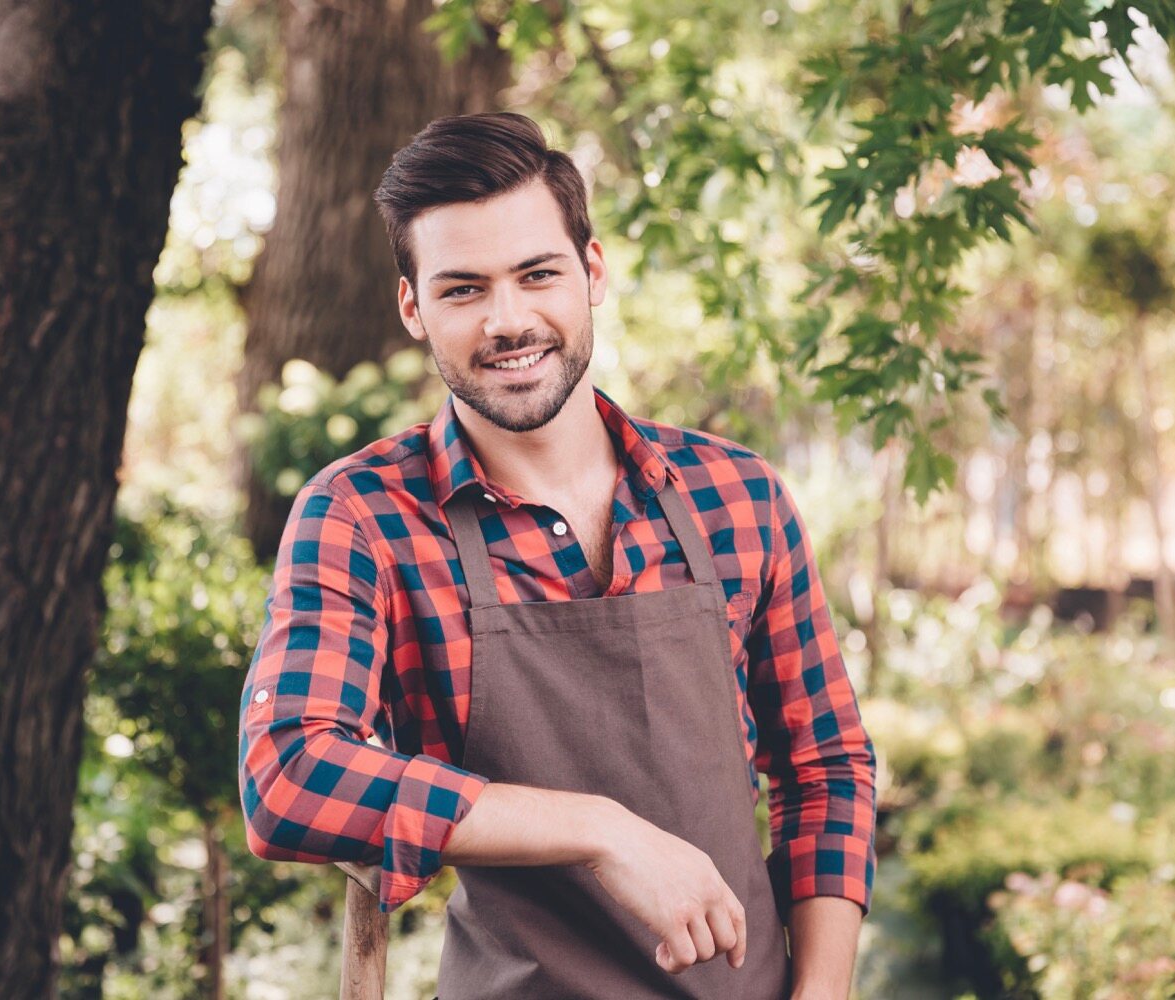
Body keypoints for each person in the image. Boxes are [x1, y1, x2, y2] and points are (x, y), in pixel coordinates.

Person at [238, 112, 876, 999]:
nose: (509, 321)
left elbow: (826, 769)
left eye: (537, 274)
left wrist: (823, 993)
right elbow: (287, 775)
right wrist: (600, 829)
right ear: (413, 307)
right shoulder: (363, 517)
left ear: (593, 272)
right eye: (463, 289)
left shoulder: (736, 495)